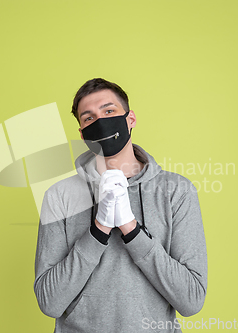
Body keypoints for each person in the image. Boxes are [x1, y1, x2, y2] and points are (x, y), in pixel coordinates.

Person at [34, 78, 207, 333]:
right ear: (82, 135)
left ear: (131, 119)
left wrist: (132, 230)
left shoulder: (176, 191)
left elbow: (191, 300)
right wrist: (98, 230)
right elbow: (50, 302)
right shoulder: (60, 196)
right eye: (89, 118)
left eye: (109, 111)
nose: (101, 122)